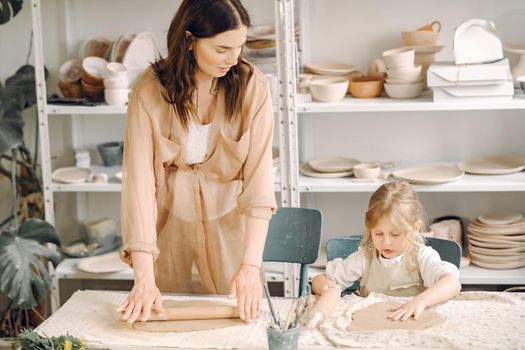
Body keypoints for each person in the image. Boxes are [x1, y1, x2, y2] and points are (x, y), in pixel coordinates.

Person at [117, 0, 277, 324]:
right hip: (167, 231)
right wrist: (143, 276)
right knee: (166, 322)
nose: (233, 59)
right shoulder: (147, 92)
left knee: (240, 325)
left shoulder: (252, 87)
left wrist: (250, 265)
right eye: (222, 49)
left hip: (231, 230)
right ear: (189, 40)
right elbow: (139, 186)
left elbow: (259, 183)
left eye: (240, 47)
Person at [312, 181, 461, 321]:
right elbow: (320, 280)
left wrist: (421, 301)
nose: (386, 242)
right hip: (371, 325)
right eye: (378, 233)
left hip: (408, 325)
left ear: (415, 228)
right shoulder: (364, 258)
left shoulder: (422, 256)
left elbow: (452, 283)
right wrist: (326, 286)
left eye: (395, 234)